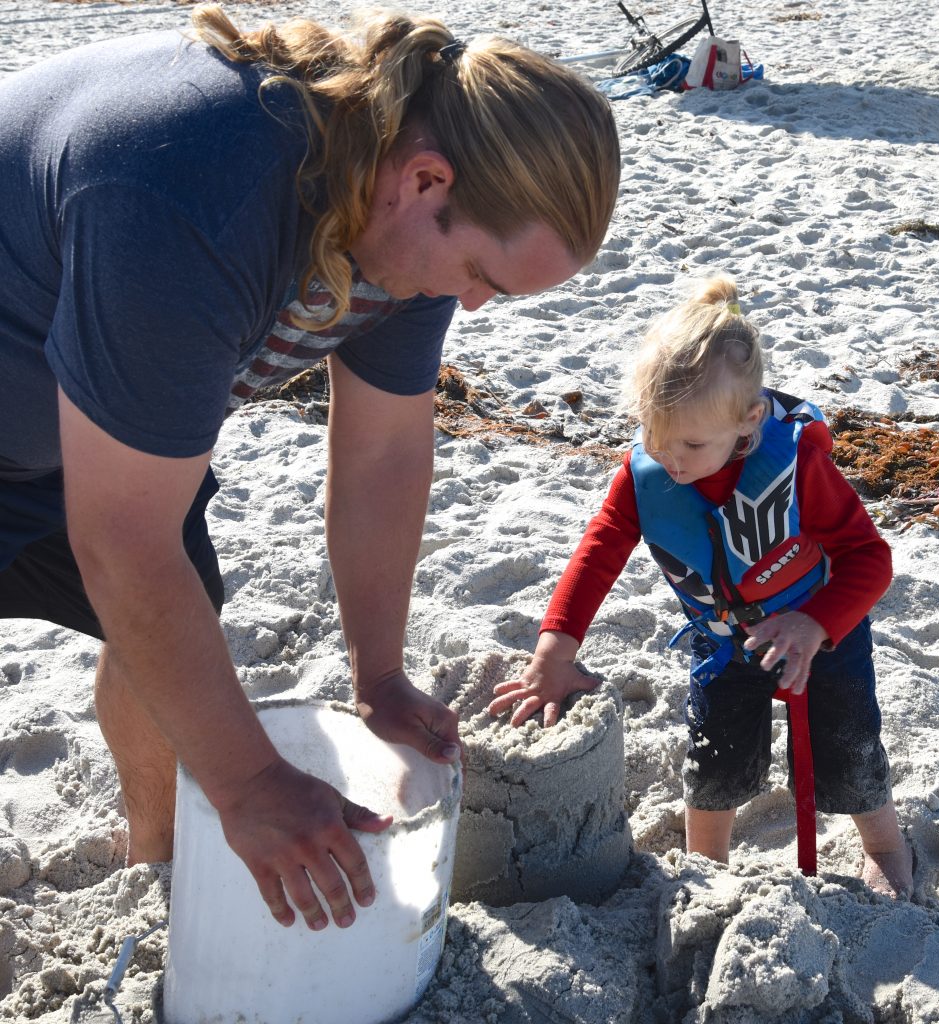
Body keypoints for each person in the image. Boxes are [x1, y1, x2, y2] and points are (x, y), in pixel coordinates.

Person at [0, 4, 620, 930]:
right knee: (152, 596)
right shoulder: (196, 189)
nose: (476, 307)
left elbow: (383, 451)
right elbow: (123, 541)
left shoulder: (403, 224)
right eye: (484, 276)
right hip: (55, 401)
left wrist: (380, 673)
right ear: (426, 179)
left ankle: (157, 866)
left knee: (171, 637)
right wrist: (250, 783)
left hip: (80, 422)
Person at [489, 276, 914, 898]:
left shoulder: (799, 468)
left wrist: (816, 623)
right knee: (714, 759)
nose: (673, 460)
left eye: (690, 443)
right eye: (655, 439)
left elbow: (871, 559)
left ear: (749, 423)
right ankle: (706, 864)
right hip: (724, 638)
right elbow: (599, 551)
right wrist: (555, 650)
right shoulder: (650, 473)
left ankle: (884, 845)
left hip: (820, 632)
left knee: (848, 748)